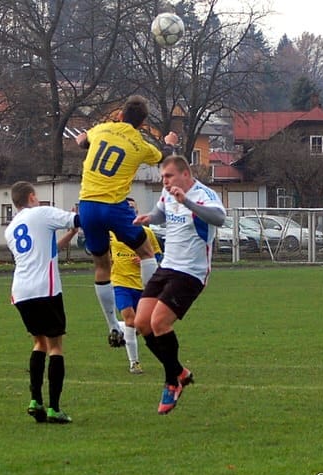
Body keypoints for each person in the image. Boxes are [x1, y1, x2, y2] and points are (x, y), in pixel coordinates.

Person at [75, 94, 178, 347]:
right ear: (142, 124)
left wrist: (86, 142)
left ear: (120, 115)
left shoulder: (101, 129)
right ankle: (150, 307)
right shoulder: (139, 144)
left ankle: (112, 325)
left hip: (87, 205)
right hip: (114, 206)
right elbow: (161, 157)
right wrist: (169, 143)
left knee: (101, 265)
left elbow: (81, 141)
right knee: (146, 251)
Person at [133, 155, 226, 415]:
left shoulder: (203, 194)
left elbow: (219, 219)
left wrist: (187, 202)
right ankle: (179, 372)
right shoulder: (167, 195)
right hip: (168, 267)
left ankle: (172, 381)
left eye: (169, 176)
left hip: (191, 272)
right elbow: (161, 214)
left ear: (186, 174)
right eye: (163, 177)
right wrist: (148, 218)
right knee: (141, 323)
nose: (165, 181)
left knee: (159, 323)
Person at [5, 181, 80, 424]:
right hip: (45, 289)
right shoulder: (42, 213)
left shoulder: (12, 227)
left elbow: (47, 250)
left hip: (21, 290)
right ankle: (54, 408)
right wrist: (80, 216)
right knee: (56, 346)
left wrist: (70, 234)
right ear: (32, 197)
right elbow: (76, 219)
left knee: (39, 342)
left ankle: (35, 400)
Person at [110, 198, 163, 374]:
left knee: (142, 325)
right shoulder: (111, 233)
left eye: (133, 208)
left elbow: (158, 257)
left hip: (142, 284)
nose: (130, 211)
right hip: (120, 282)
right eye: (128, 208)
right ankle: (134, 363)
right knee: (131, 320)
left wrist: (145, 260)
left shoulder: (146, 232)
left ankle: (117, 328)